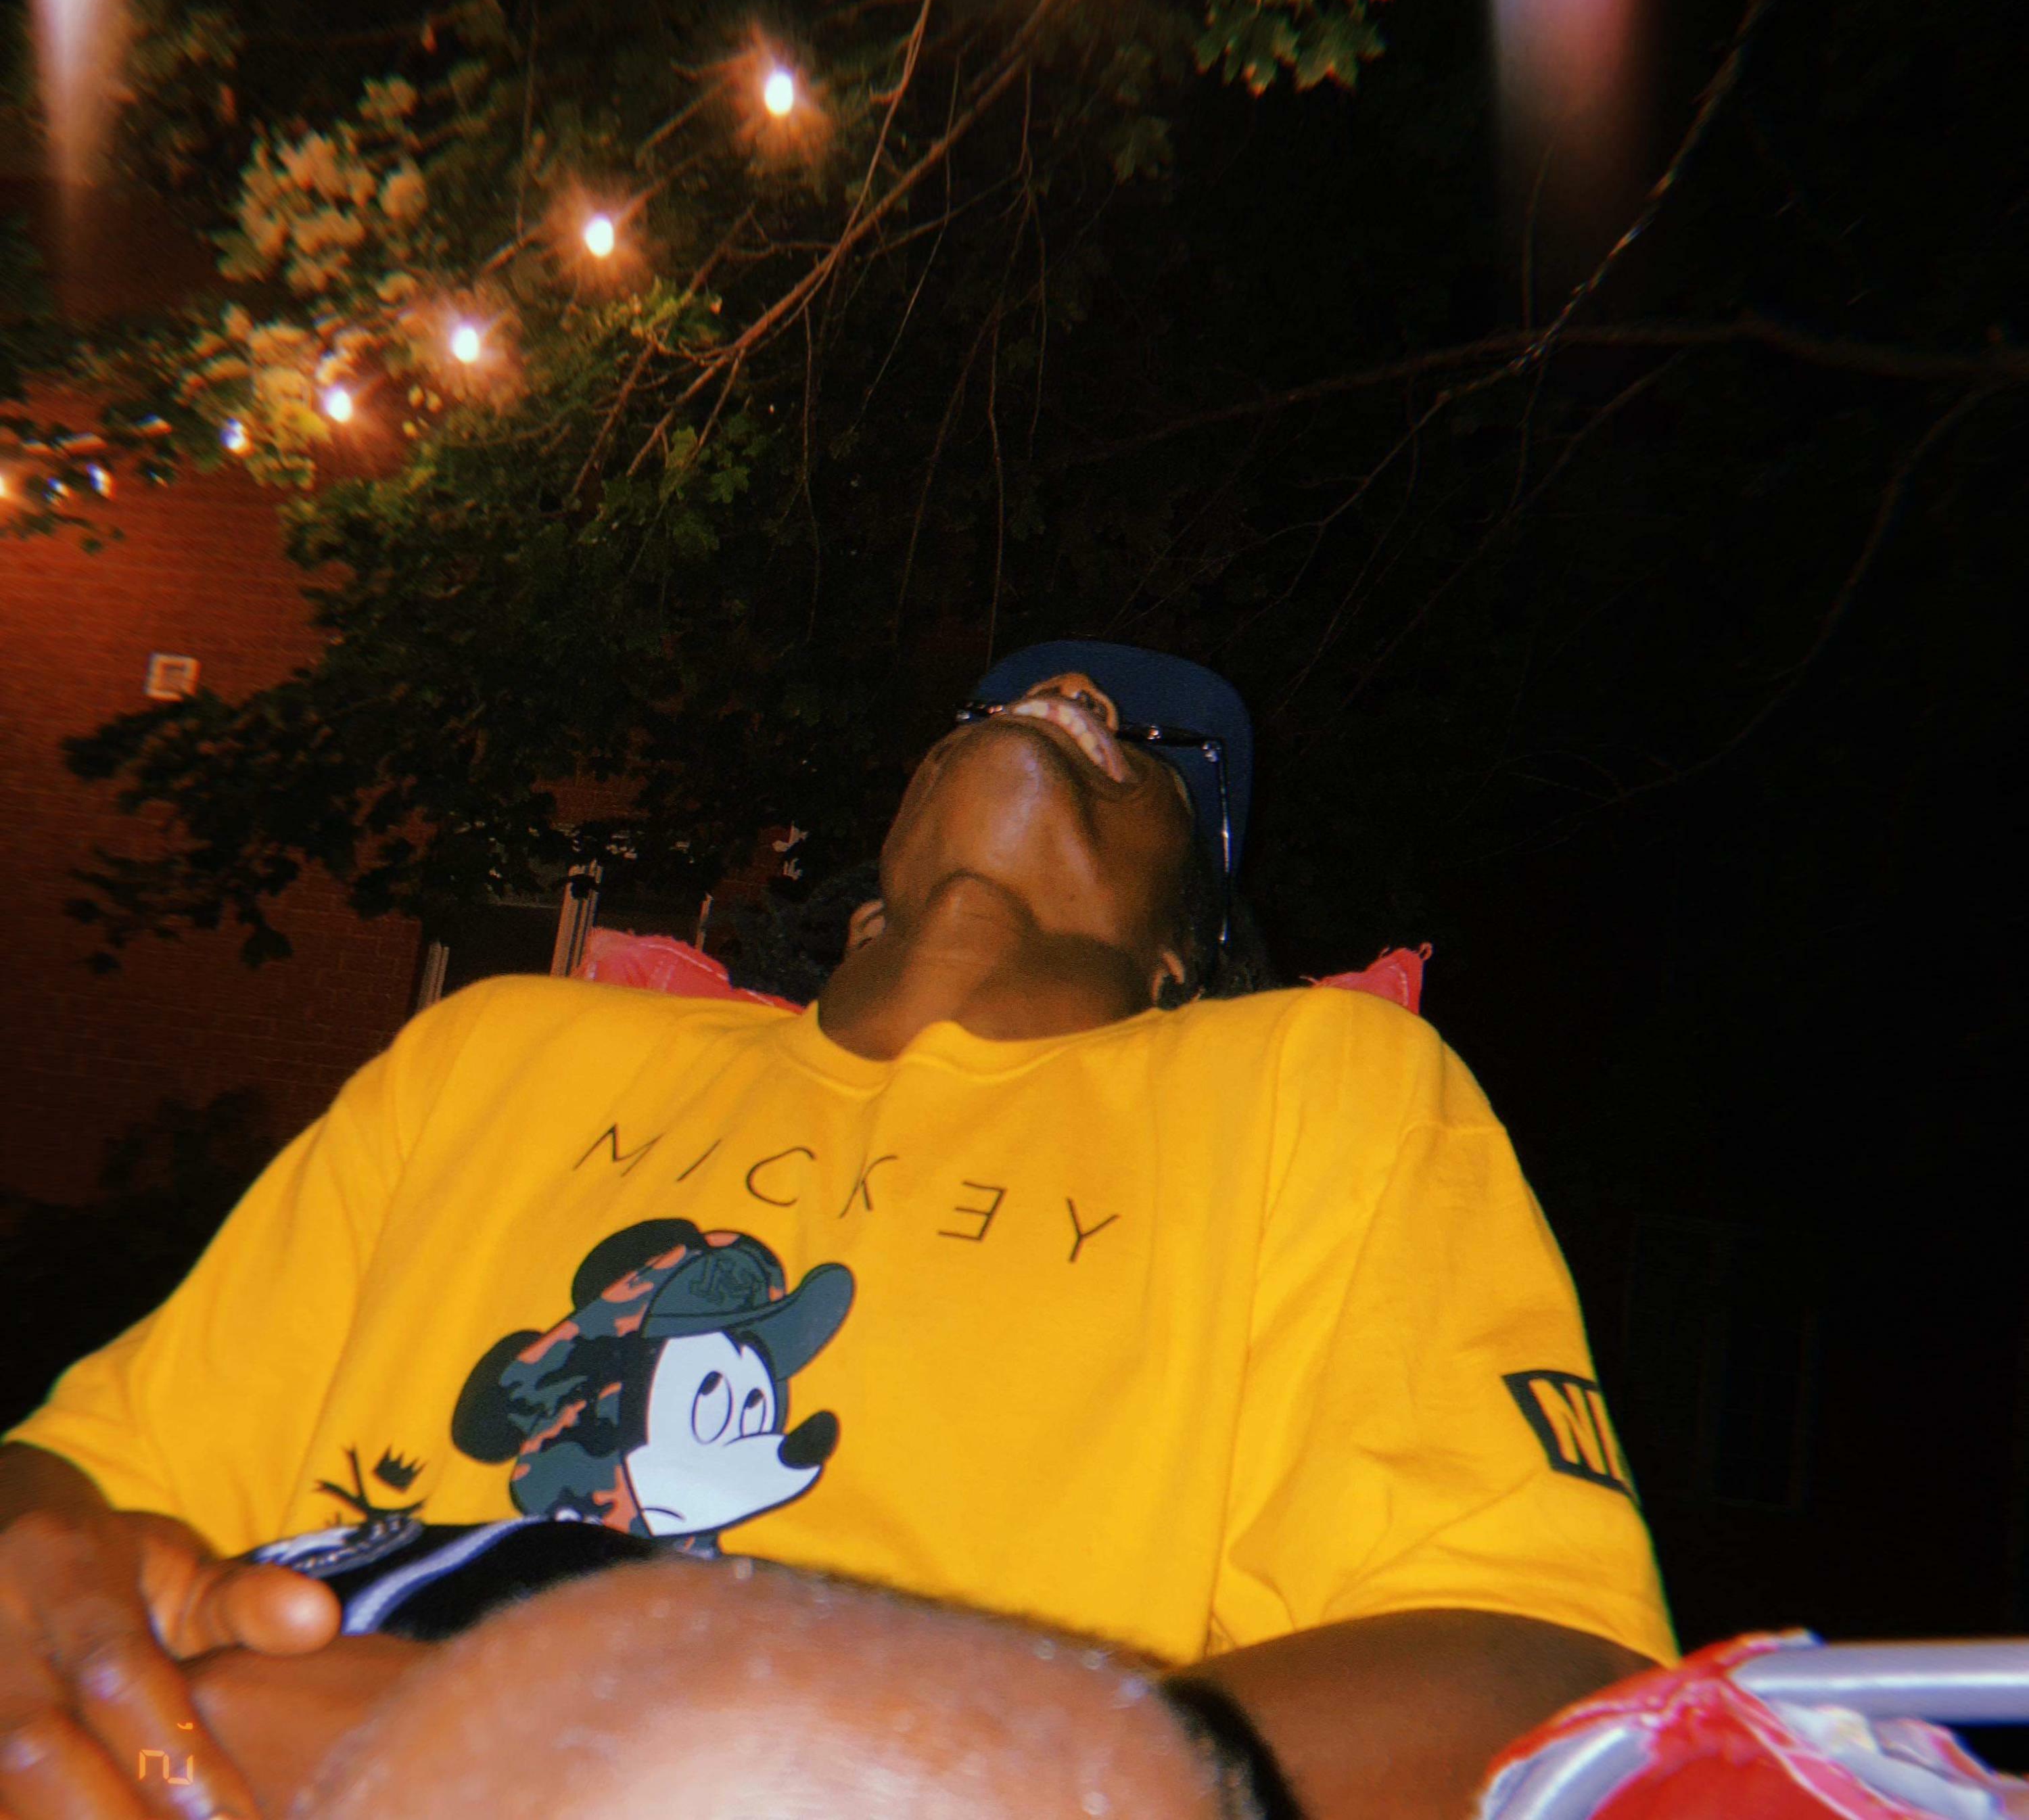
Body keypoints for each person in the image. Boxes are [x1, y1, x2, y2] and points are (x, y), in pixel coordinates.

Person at [0, 640, 1673, 1820]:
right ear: (870, 893)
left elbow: (1531, 1674)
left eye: (1157, 748)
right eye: (1005, 700)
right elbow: (82, 1481)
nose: (1075, 700)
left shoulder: (1317, 1087)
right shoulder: (498, 1050)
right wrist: (46, 1615)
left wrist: (831, 1768)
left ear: (1181, 960)